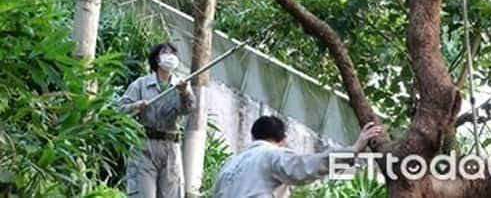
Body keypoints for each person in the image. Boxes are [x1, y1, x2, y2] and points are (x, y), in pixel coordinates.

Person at [212, 115, 383, 198]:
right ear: (283, 140)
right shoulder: (272, 155)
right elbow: (306, 167)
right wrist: (353, 150)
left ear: (253, 137)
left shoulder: (229, 165)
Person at [118, 42, 195, 197]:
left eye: (173, 53)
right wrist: (136, 106)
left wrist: (185, 93)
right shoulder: (141, 84)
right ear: (156, 59)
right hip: (145, 146)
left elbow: (189, 109)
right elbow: (120, 110)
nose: (170, 56)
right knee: (143, 193)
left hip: (171, 146)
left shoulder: (180, 85)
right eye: (165, 52)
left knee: (171, 193)